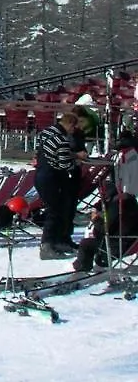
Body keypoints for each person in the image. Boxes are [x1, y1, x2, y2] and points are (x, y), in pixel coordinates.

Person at [35, 110, 81, 260]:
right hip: (52, 177)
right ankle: (47, 245)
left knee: (56, 209)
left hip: (41, 175)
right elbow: (63, 165)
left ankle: (57, 241)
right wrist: (75, 161)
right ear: (69, 124)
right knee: (54, 211)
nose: (73, 131)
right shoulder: (62, 140)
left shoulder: (45, 133)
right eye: (73, 128)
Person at [72, 183, 138, 271]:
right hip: (131, 243)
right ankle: (98, 262)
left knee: (85, 244)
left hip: (117, 246)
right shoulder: (128, 202)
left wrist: (95, 219)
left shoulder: (116, 206)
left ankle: (82, 269)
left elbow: (105, 229)